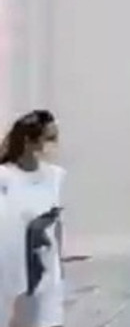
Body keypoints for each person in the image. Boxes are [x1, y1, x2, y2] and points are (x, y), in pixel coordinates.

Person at [0, 110, 65, 327]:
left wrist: (58, 266)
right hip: (12, 266)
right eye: (49, 138)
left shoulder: (55, 176)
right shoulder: (5, 177)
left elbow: (57, 226)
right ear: (29, 141)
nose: (53, 145)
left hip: (45, 264)